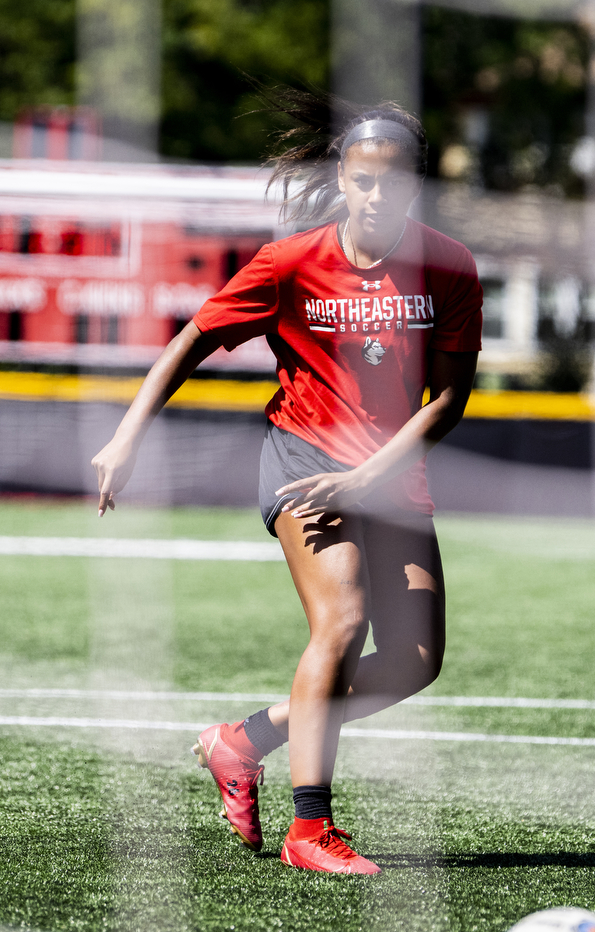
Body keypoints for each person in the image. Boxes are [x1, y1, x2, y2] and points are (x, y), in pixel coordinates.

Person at [90, 94, 483, 875]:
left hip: (388, 471)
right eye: (363, 179)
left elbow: (449, 397)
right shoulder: (290, 263)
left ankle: (244, 741)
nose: (377, 194)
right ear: (343, 176)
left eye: (394, 181)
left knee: (413, 659)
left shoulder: (450, 266)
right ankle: (311, 831)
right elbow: (193, 339)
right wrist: (127, 434)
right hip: (303, 455)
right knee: (343, 620)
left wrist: (370, 477)